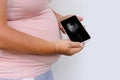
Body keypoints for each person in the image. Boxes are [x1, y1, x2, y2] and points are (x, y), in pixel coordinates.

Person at [0, 0, 84, 80]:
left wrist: (60, 19)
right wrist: (54, 47)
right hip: (17, 73)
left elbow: (27, 6)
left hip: (40, 71)